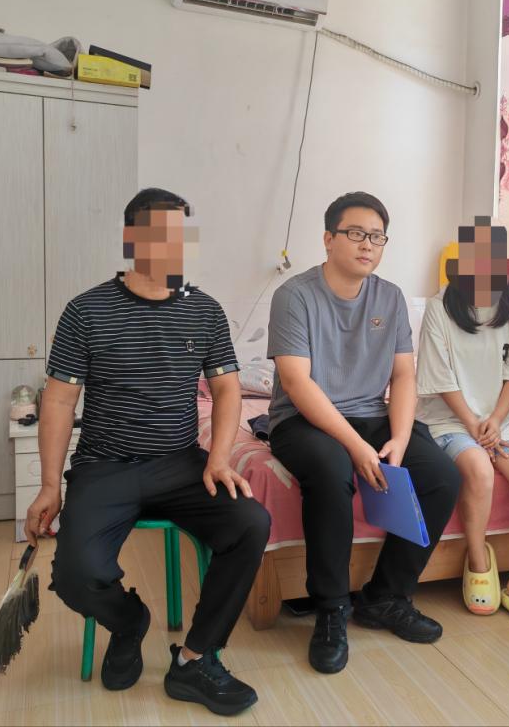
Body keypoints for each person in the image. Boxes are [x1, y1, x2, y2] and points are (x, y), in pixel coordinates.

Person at [25, 188, 269, 716]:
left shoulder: (204, 311)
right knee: (75, 573)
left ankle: (195, 660)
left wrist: (218, 459)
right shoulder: (86, 311)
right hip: (104, 468)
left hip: (181, 466)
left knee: (250, 522)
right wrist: (48, 485)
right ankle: (130, 622)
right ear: (131, 239)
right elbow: (60, 399)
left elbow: (227, 389)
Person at [267, 191, 461, 674]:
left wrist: (399, 438)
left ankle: (385, 597)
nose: (367, 244)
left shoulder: (390, 297)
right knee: (332, 469)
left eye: (376, 236)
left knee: (441, 475)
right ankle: (332, 607)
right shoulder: (294, 295)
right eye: (355, 233)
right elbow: (296, 382)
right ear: (328, 238)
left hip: (372, 414)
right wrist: (356, 447)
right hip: (303, 417)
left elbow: (404, 375)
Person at [416, 217, 509, 631]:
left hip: (501, 421)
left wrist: (495, 420)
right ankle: (478, 560)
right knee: (479, 471)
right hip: (450, 419)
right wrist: (475, 425)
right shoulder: (439, 307)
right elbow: (440, 377)